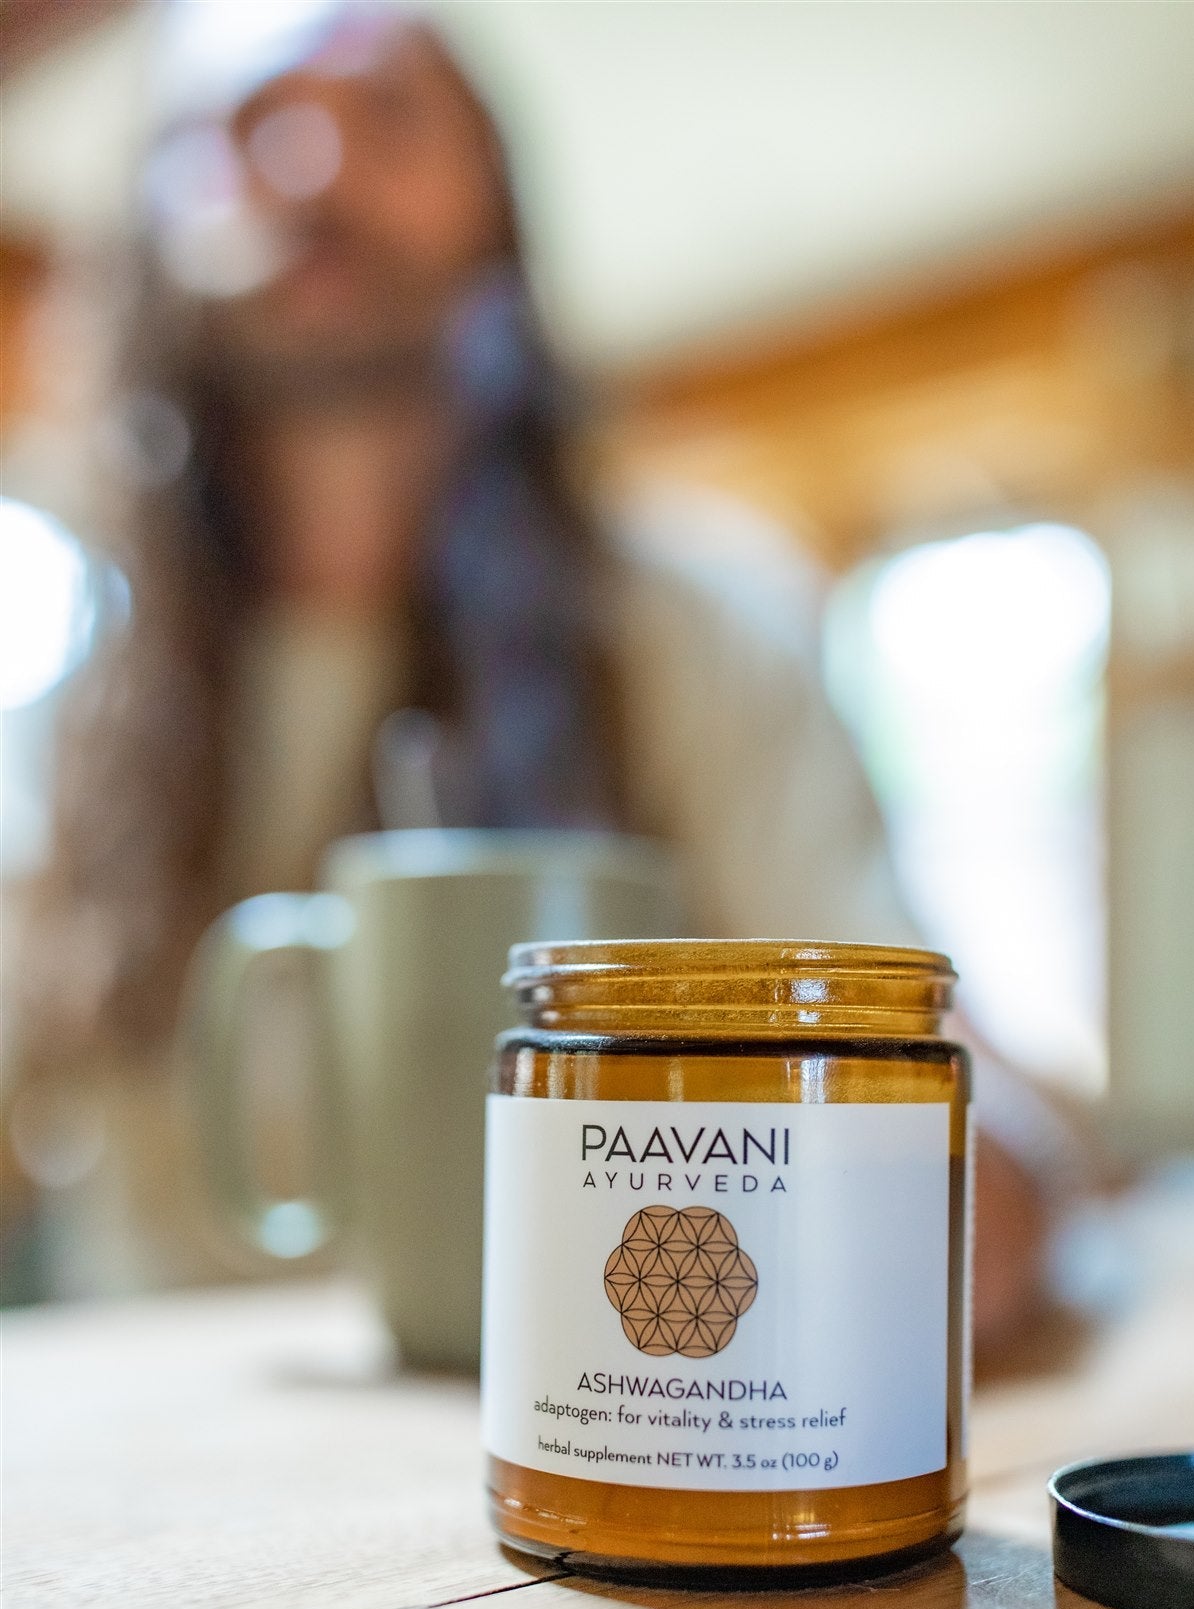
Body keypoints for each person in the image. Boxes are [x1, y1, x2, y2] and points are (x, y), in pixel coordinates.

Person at [11, 9, 1053, 1341]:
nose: (316, 169)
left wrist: (969, 1200)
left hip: (565, 1458)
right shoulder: (58, 689)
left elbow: (949, 1110)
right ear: (149, 226)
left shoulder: (691, 633)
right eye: (245, 127)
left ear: (494, 208)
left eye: (386, 113)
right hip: (157, 1510)